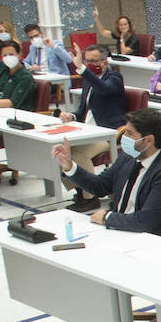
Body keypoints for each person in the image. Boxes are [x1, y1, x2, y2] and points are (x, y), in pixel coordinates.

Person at [52, 108, 161, 322]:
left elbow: (144, 222)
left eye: (130, 134)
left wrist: (108, 219)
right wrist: (69, 166)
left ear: (149, 140)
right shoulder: (127, 158)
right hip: (124, 234)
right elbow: (99, 186)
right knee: (77, 262)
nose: (124, 138)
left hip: (154, 243)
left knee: (96, 268)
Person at [58, 43, 127, 211]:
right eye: (87, 60)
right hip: (86, 130)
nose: (90, 64)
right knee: (62, 151)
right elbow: (82, 110)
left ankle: (90, 198)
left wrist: (82, 69)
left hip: (108, 133)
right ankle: (79, 190)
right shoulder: (88, 81)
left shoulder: (114, 78)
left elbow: (103, 89)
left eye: (93, 61)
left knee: (79, 152)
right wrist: (72, 116)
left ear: (105, 61)